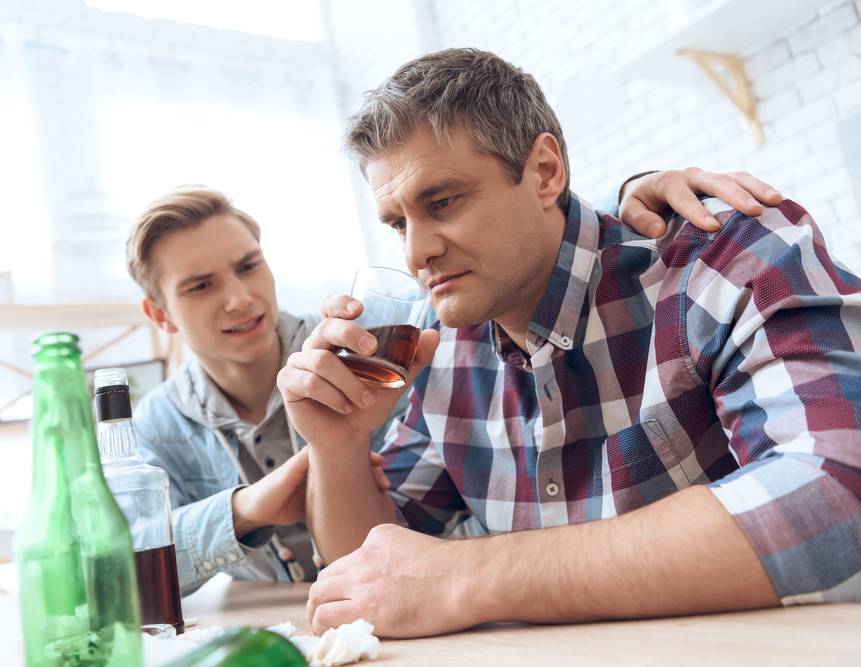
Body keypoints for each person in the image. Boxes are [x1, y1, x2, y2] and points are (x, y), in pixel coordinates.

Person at [276, 48, 861, 638]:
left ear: (546, 172)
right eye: (398, 223)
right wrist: (340, 446)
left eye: (443, 202)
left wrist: (469, 576)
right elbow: (369, 580)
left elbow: (837, 494)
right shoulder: (437, 345)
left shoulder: (723, 257)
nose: (415, 254)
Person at [127, 173, 781, 596]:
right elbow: (120, 570)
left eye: (248, 265)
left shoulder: (379, 342)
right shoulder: (157, 424)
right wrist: (251, 505)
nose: (241, 298)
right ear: (160, 314)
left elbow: (537, 243)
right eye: (201, 285)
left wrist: (625, 192)